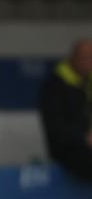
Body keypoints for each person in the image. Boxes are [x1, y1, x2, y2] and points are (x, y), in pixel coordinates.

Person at [39, 39, 92, 182]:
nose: (88, 62)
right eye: (85, 57)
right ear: (73, 58)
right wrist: (84, 138)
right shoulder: (56, 85)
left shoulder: (88, 82)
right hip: (68, 149)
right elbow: (56, 127)